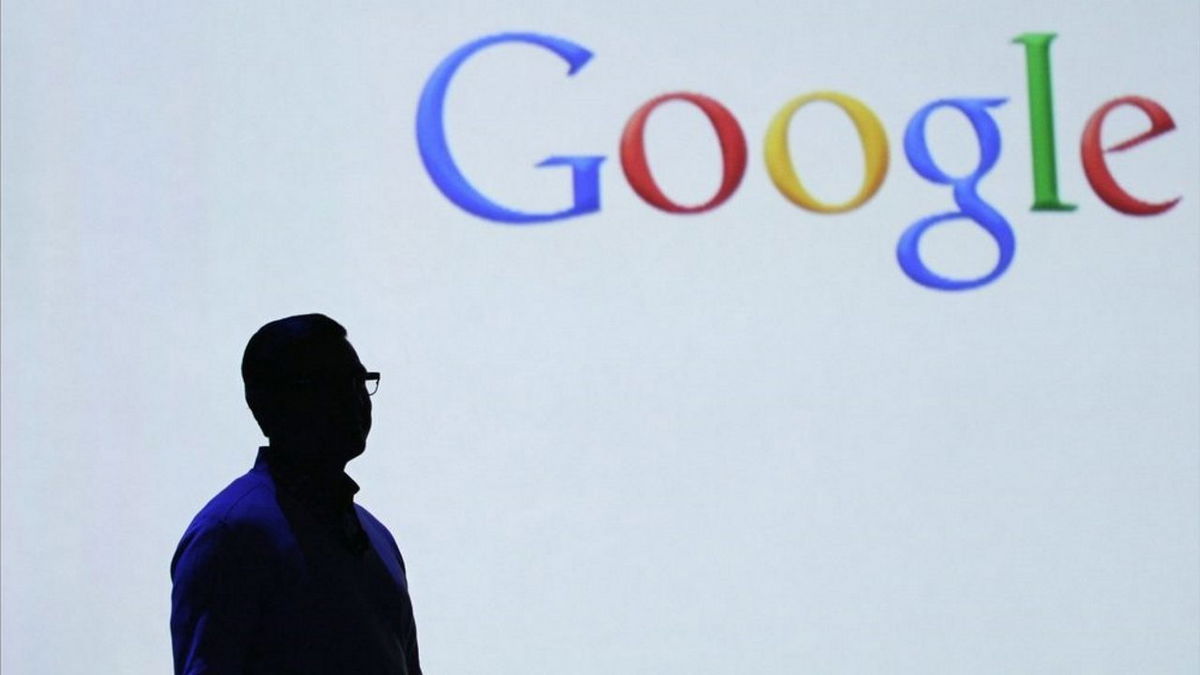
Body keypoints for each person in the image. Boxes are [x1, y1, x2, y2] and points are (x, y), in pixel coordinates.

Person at [170, 314, 421, 674]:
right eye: (333, 383)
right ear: (276, 401)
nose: (356, 399)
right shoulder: (232, 535)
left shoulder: (376, 539)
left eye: (359, 381)